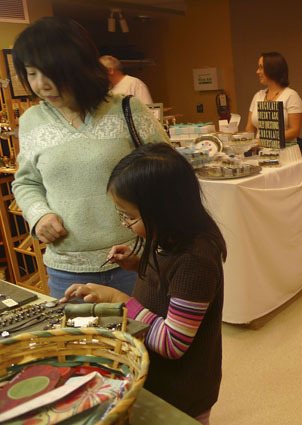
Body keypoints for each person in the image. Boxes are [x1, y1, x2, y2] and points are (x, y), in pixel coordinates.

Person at [61, 143, 226, 424]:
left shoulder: (195, 260)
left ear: (164, 210)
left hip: (182, 389)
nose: (124, 223)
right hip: (157, 377)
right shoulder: (170, 239)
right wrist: (138, 263)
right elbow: (169, 285)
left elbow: (173, 342)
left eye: (130, 216)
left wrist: (119, 301)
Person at [11, 17, 168, 298]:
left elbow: (169, 171)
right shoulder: (32, 121)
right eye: (31, 73)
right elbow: (26, 182)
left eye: (51, 72)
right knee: (77, 342)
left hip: (135, 261)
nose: (42, 85)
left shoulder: (128, 110)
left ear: (79, 65)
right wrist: (39, 215)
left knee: (143, 340)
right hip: (66, 268)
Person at [245, 51, 302, 155]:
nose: (257, 72)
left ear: (272, 69)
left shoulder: (291, 96)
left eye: (261, 67)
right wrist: (245, 143)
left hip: (285, 154)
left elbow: (295, 130)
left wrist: (265, 141)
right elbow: (249, 128)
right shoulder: (258, 96)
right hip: (260, 154)